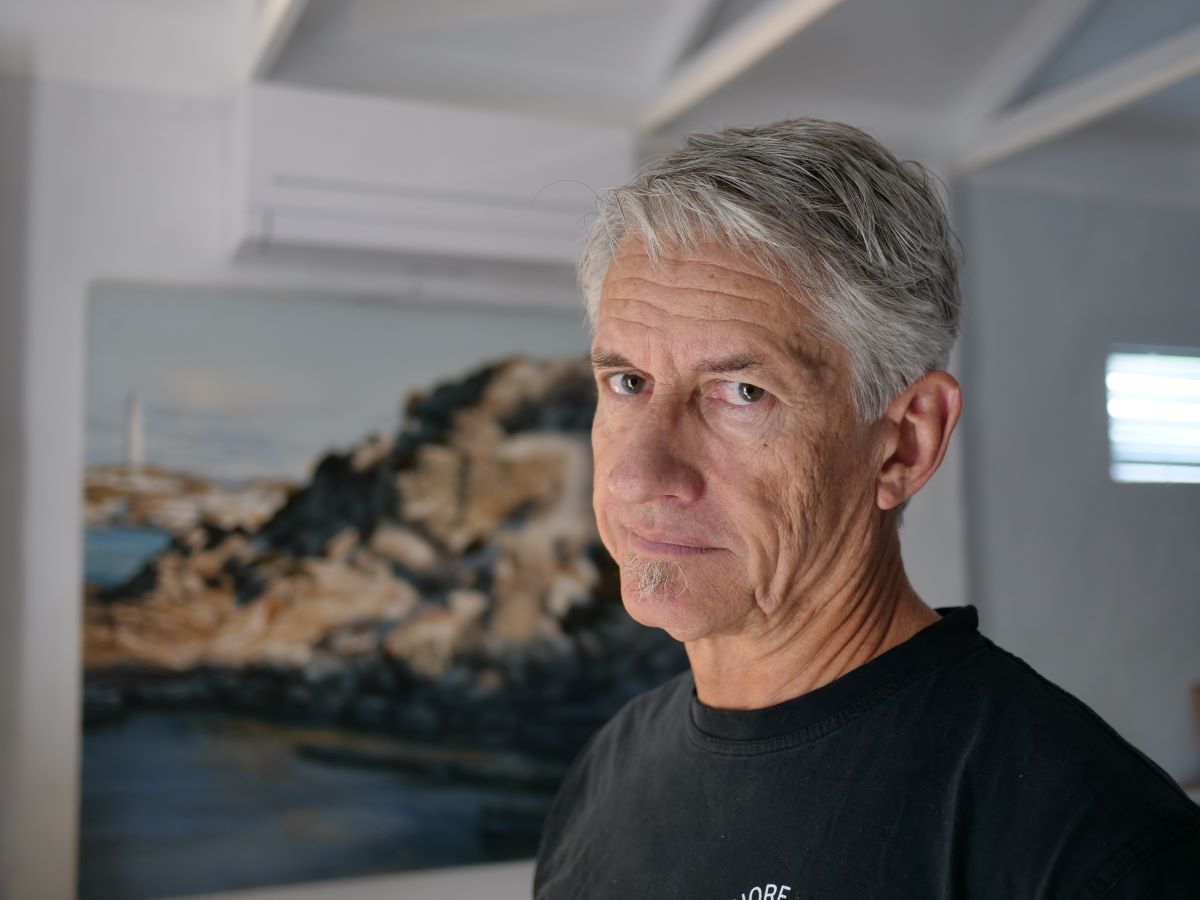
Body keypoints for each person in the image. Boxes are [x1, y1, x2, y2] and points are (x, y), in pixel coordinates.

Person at [532, 118, 1200, 899]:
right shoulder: (605, 773)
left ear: (904, 444)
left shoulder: (1091, 843)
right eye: (627, 382)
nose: (640, 476)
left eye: (742, 393)